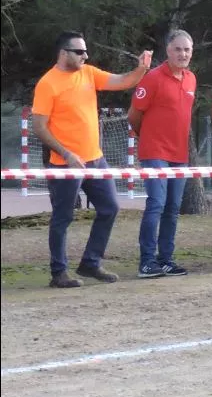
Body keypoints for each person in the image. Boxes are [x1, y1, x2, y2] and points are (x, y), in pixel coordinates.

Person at [31, 30, 153, 288]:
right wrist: (66, 153)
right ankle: (59, 273)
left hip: (95, 160)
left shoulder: (89, 73)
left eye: (86, 51)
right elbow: (39, 127)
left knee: (109, 208)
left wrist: (141, 69)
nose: (85, 55)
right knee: (62, 218)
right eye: (79, 52)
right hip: (64, 164)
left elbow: (123, 81)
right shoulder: (48, 83)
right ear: (64, 53)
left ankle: (91, 263)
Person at [129, 29, 195, 279]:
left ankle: (165, 259)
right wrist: (147, 138)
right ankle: (147, 261)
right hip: (154, 151)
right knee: (156, 203)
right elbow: (134, 114)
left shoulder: (191, 79)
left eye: (187, 49)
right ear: (168, 50)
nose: (182, 54)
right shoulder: (153, 78)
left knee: (173, 207)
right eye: (178, 49)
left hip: (180, 154)